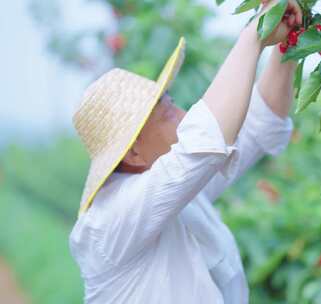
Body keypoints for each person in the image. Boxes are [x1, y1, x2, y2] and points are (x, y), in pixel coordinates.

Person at [68, 0, 303, 302]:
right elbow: (204, 142)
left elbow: (259, 125)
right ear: (133, 153)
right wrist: (255, 33)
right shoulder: (109, 221)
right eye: (166, 114)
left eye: (171, 103)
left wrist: (288, 43)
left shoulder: (179, 196)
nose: (181, 114)